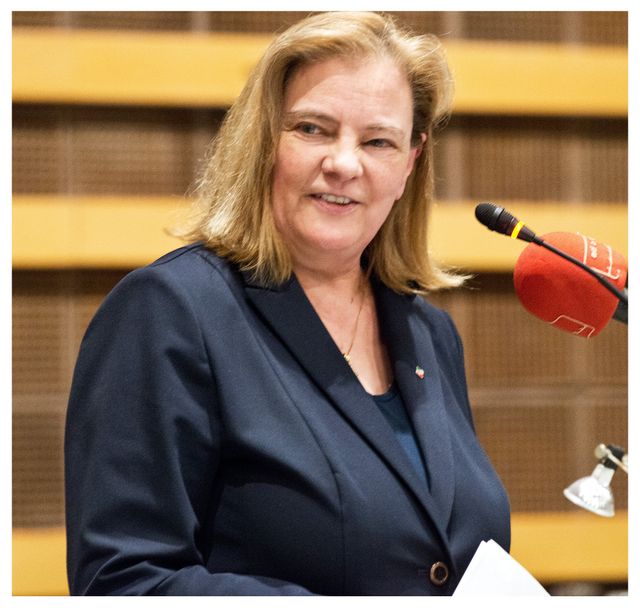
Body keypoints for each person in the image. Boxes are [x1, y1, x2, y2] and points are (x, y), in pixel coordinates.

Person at [64, 11, 510, 596]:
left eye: (378, 141)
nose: (344, 164)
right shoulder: (172, 311)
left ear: (409, 163)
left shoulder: (429, 333)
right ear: (265, 141)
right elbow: (123, 580)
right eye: (313, 129)